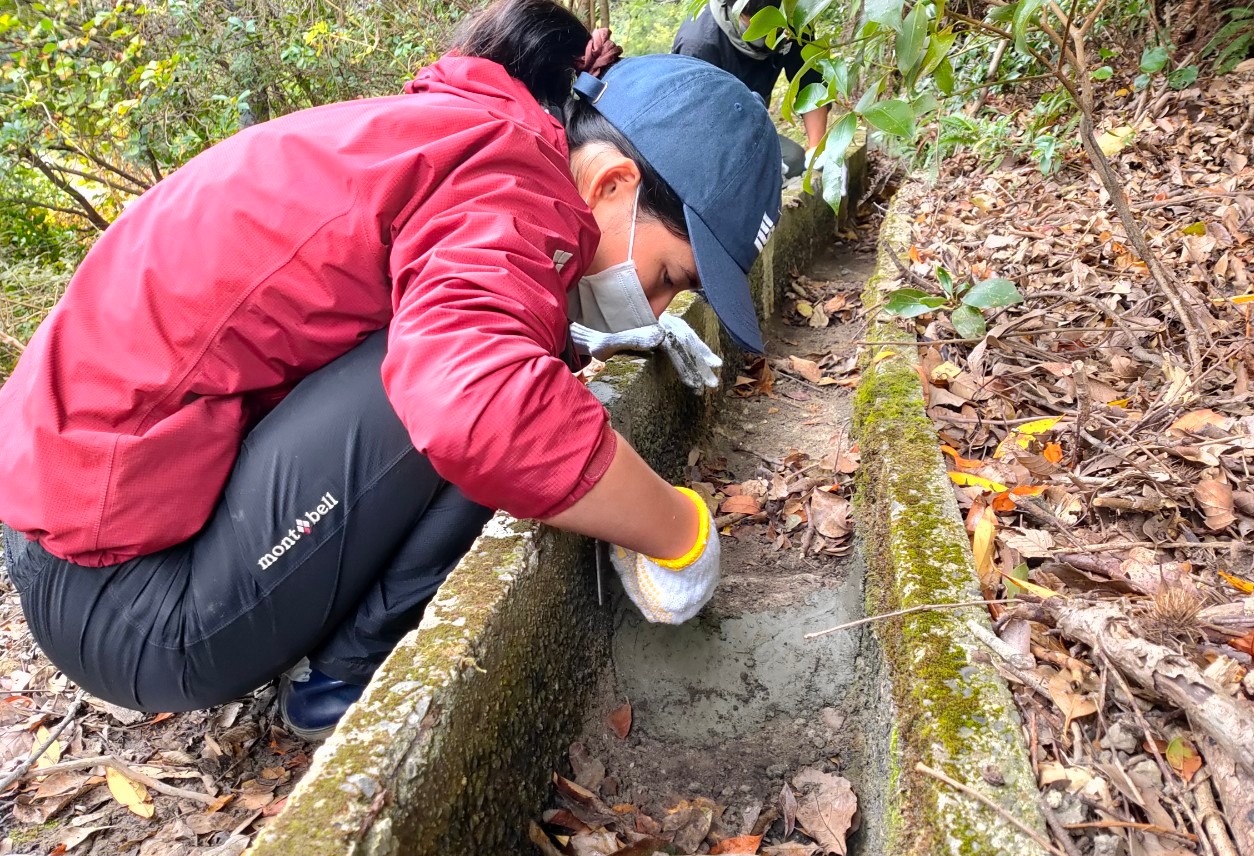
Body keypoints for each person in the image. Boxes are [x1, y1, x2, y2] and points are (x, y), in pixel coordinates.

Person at [0, 0, 782, 740]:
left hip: (79, 538)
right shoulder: (514, 185)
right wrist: (677, 531)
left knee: (493, 364)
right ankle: (343, 679)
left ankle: (329, 646)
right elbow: (477, 403)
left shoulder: (468, 137)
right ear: (611, 182)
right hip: (128, 603)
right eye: (669, 277)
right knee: (481, 389)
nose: (656, 306)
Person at [672, 0, 829, 179]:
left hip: (753, 124)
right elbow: (693, 131)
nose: (773, 36)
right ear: (738, 12)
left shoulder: (793, 15)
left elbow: (810, 82)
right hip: (705, 140)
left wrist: (818, 150)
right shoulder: (699, 47)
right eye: (762, 28)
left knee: (793, 159)